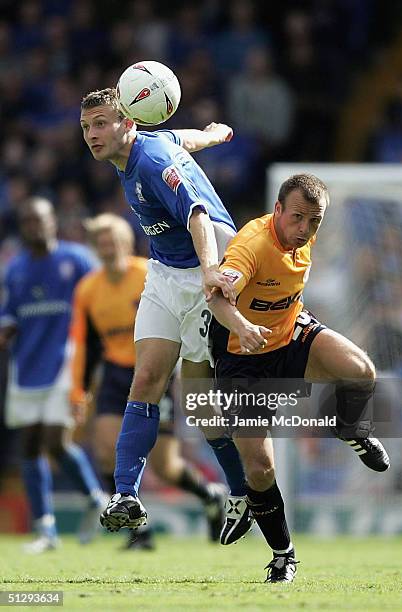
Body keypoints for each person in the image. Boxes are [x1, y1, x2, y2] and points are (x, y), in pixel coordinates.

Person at [79, 87, 248, 535]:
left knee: (199, 405)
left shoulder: (150, 162)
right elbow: (180, 139)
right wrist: (211, 136)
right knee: (147, 377)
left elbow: (195, 212)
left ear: (128, 124)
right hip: (166, 270)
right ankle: (126, 495)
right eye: (85, 126)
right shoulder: (143, 150)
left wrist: (211, 271)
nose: (91, 134)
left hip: (203, 267)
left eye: (100, 123)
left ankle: (241, 490)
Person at [208, 173, 390, 583]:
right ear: (277, 211)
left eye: (314, 221)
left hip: (290, 336)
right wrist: (241, 325)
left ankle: (351, 429)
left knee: (361, 370)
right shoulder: (252, 245)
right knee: (260, 469)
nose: (304, 229)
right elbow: (219, 297)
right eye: (297, 218)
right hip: (244, 359)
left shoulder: (304, 237)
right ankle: (282, 553)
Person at [70, 213, 226, 548]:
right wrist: (79, 392)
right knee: (104, 450)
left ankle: (210, 495)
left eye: (113, 240)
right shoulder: (88, 290)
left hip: (156, 372)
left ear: (126, 242)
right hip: (115, 373)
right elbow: (85, 344)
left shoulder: (149, 274)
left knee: (166, 466)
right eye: (101, 242)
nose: (107, 247)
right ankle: (137, 528)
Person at [0, 197, 108, 554]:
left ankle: (93, 498)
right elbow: (9, 315)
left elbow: (99, 298)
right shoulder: (15, 270)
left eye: (40, 219)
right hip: (26, 366)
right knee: (30, 446)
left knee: (53, 440)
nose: (35, 226)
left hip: (66, 361)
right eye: (28, 221)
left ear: (52, 222)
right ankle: (48, 528)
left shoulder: (76, 260)